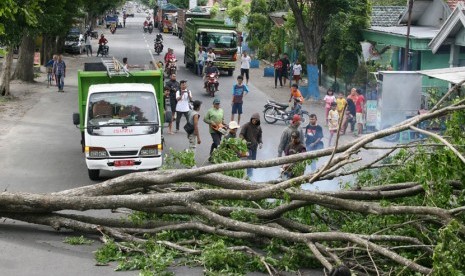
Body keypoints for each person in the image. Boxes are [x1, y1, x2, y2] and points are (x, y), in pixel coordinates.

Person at [240, 113, 263, 178]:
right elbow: (241, 134)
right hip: (247, 147)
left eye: (256, 120)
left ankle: (251, 175)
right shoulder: (246, 126)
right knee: (249, 161)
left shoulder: (259, 127)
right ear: (251, 119)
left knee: (253, 162)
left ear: (258, 121)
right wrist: (243, 140)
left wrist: (260, 142)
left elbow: (259, 136)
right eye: (253, 119)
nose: (254, 121)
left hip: (254, 148)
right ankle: (249, 176)